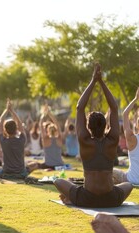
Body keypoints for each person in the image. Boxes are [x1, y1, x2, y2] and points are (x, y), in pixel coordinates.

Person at [54, 63, 133, 207]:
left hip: (87, 198)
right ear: (105, 125)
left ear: (88, 127)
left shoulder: (85, 140)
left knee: (57, 181)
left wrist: (93, 80)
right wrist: (101, 81)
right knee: (129, 185)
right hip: (110, 199)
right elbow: (114, 108)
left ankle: (72, 199)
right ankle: (74, 198)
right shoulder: (113, 140)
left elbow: (79, 108)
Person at [0, 98, 37, 179]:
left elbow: (0, 123)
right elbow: (20, 124)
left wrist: (6, 110)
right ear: (16, 128)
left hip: (6, 174)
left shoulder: (3, 140)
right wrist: (12, 111)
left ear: (5, 130)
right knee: (34, 164)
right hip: (21, 173)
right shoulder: (21, 140)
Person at [112, 87, 139, 184]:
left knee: (108, 170)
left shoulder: (132, 139)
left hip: (130, 179)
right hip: (131, 179)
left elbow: (125, 114)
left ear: (137, 125)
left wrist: (136, 99)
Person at [36, 105, 64, 169]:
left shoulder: (45, 139)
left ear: (47, 131)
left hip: (48, 165)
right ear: (56, 130)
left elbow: (40, 124)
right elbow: (57, 123)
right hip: (59, 165)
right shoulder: (59, 138)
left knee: (32, 164)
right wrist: (49, 113)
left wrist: (44, 114)